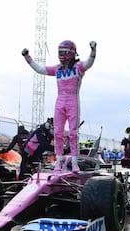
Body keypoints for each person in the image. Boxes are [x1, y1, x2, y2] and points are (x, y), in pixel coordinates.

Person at [22, 40, 97, 173]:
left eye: (64, 52)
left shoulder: (78, 67)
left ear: (71, 52)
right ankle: (59, 160)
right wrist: (27, 57)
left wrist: (93, 50)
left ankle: (74, 162)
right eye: (60, 52)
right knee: (57, 133)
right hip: (60, 101)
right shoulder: (57, 69)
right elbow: (40, 69)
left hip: (73, 100)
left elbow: (89, 63)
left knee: (73, 132)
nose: (61, 55)